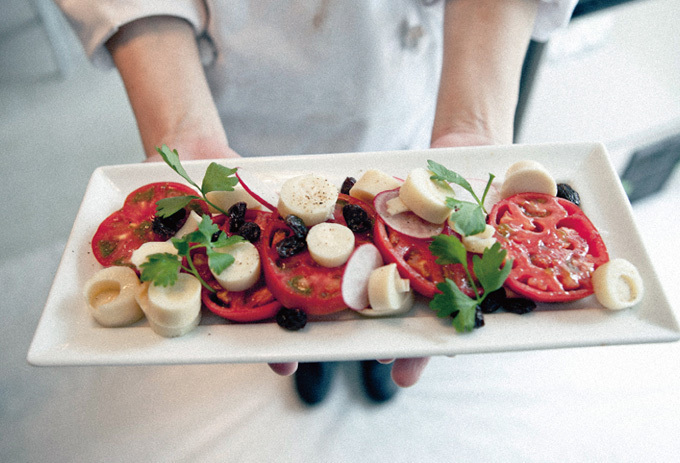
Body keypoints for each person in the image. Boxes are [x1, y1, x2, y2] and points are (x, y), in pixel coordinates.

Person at [56, 0, 578, 404]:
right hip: (239, 107)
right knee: (291, 284)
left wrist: (473, 125)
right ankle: (315, 354)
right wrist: (179, 127)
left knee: (381, 276)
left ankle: (366, 353)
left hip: (406, 96)